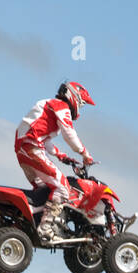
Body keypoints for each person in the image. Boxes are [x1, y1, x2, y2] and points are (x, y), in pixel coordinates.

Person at [14, 81, 96, 243]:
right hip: (32, 149)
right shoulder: (60, 106)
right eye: (81, 104)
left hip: (23, 151)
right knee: (63, 188)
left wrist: (62, 156)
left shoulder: (48, 106)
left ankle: (30, 223)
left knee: (44, 190)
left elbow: (45, 140)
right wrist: (84, 154)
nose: (80, 108)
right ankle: (45, 228)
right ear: (74, 97)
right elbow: (69, 133)